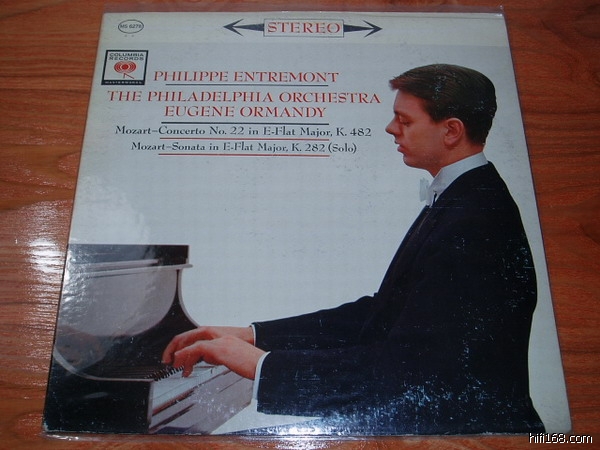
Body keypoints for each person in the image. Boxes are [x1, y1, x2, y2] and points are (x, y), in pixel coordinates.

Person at [162, 64, 545, 435]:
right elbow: (382, 315)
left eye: (405, 120)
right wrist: (254, 336)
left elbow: (408, 370)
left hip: (478, 437)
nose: (391, 128)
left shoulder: (476, 219)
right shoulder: (466, 197)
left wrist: (263, 366)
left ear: (451, 131)